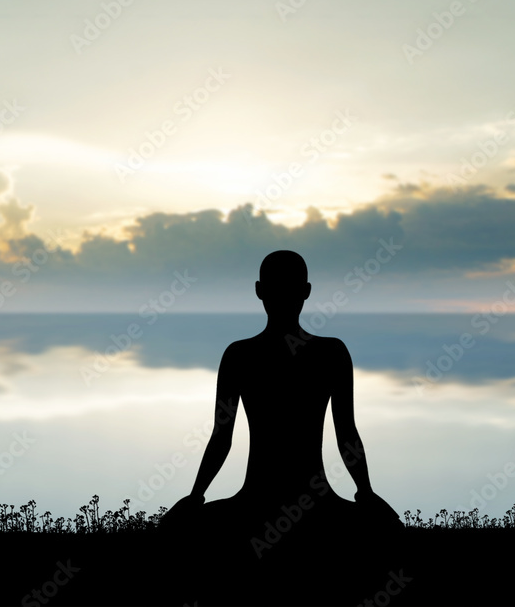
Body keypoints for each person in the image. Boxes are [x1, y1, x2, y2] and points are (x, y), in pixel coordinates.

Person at [157, 250, 402, 597]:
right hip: (315, 505)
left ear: (259, 290)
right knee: (387, 533)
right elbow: (345, 432)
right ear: (307, 291)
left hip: (254, 505)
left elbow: (221, 437)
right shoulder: (331, 353)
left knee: (178, 537)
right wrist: (365, 493)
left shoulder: (239, 355)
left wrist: (197, 497)